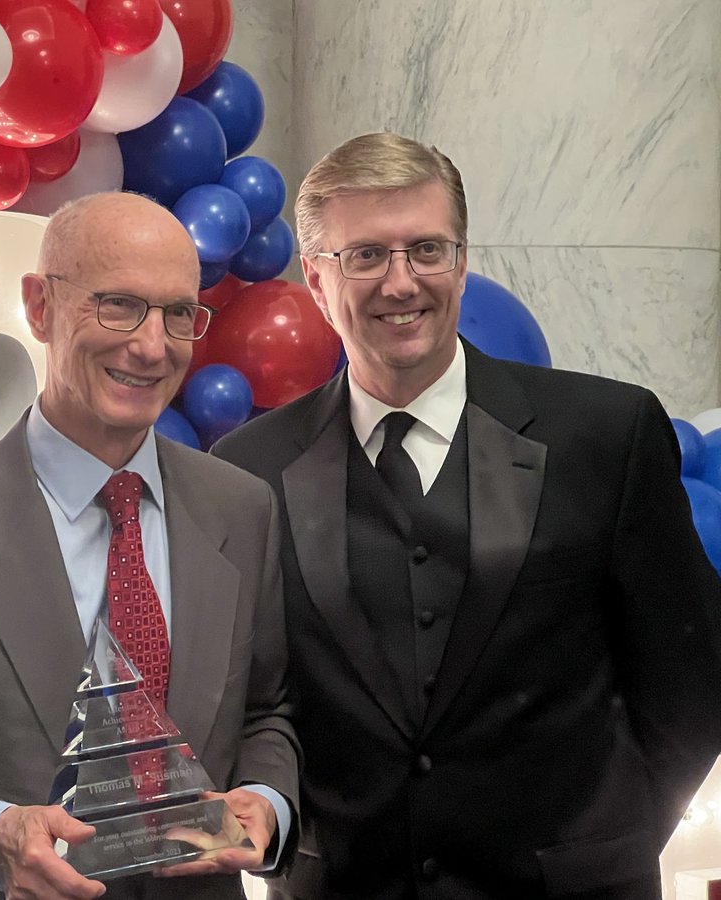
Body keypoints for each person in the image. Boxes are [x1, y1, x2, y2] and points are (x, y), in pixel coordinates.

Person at [212, 131, 721, 900]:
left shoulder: (606, 434)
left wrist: (617, 835)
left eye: (427, 249)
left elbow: (688, 675)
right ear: (316, 281)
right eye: (367, 255)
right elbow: (257, 700)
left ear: (462, 260)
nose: (401, 281)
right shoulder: (249, 470)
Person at [0, 191, 299, 900]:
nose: (151, 345)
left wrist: (266, 798)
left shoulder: (243, 507)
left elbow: (269, 707)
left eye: (178, 313)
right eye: (117, 304)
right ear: (39, 307)